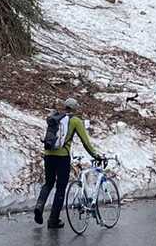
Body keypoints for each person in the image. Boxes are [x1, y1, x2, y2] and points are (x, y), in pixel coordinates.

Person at [34, 98, 106, 229]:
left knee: (48, 183)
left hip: (48, 154)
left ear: (65, 107)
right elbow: (85, 142)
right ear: (75, 108)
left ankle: (39, 205)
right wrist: (96, 155)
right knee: (61, 188)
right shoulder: (75, 121)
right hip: (62, 157)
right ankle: (53, 220)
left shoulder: (56, 118)